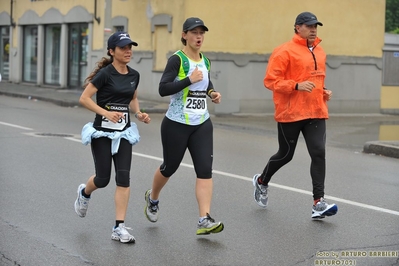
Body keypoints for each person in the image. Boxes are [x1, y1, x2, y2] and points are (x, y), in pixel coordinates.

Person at [252, 12, 338, 219]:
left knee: (318, 152)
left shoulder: (320, 51)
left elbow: (314, 79)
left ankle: (318, 203)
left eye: (315, 26)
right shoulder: (284, 51)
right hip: (290, 112)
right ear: (297, 27)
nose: (313, 29)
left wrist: (322, 90)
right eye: (309, 26)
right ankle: (262, 181)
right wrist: (296, 86)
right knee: (285, 155)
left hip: (316, 111)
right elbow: (270, 81)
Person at [144, 17, 224, 235]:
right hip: (176, 124)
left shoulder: (205, 61)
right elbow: (163, 89)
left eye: (202, 33)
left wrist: (212, 94)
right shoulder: (177, 60)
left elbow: (206, 85)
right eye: (194, 32)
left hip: (202, 123)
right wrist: (188, 79)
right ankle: (153, 198)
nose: (199, 37)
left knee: (205, 171)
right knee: (169, 167)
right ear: (184, 35)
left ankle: (204, 219)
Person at [74, 31, 151, 243]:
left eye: (130, 47)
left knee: (124, 178)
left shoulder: (134, 75)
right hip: (102, 132)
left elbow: (133, 99)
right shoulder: (105, 74)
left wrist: (139, 113)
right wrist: (106, 113)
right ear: (112, 51)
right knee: (103, 179)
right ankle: (84, 193)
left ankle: (119, 227)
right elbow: (84, 98)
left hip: (124, 132)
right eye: (123, 48)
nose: (128, 51)